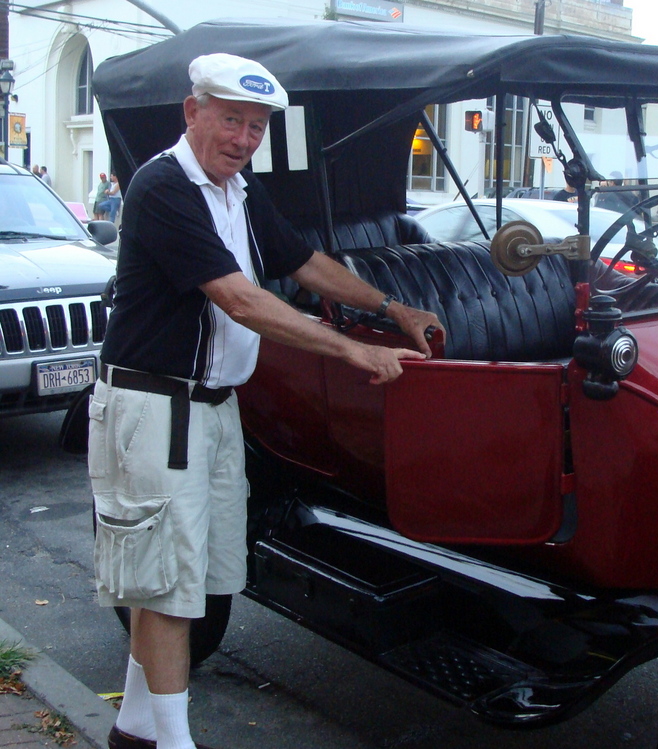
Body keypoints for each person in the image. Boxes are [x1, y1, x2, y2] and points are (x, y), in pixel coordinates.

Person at [89, 53, 443, 749]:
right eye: (231, 120)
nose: (244, 139)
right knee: (166, 585)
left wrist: (391, 307)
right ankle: (172, 743)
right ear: (192, 112)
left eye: (256, 127)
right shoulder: (163, 186)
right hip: (156, 409)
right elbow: (241, 300)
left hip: (213, 407)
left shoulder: (239, 192)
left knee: (190, 575)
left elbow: (302, 262)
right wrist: (352, 350)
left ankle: (133, 728)